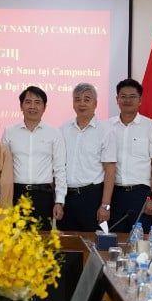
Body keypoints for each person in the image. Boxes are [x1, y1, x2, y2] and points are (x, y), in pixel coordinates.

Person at [2, 86, 66, 230]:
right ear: (21, 106)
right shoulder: (9, 132)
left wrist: (59, 201)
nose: (32, 106)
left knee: (42, 240)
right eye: (28, 102)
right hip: (17, 194)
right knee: (16, 239)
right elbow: (4, 169)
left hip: (43, 196)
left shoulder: (54, 133)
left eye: (37, 102)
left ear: (44, 107)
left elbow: (60, 169)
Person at [109, 79, 152, 232]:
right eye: (123, 96)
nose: (127, 100)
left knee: (140, 241)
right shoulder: (107, 127)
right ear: (117, 99)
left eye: (132, 96)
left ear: (140, 100)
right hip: (114, 194)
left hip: (141, 195)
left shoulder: (151, 127)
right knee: (114, 239)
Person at [58, 83, 116, 232]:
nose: (81, 103)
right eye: (77, 99)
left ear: (95, 103)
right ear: (73, 103)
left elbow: (110, 170)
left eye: (87, 99)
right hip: (67, 197)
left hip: (92, 197)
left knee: (91, 242)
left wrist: (105, 205)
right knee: (66, 242)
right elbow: (58, 166)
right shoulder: (63, 129)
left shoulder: (105, 130)